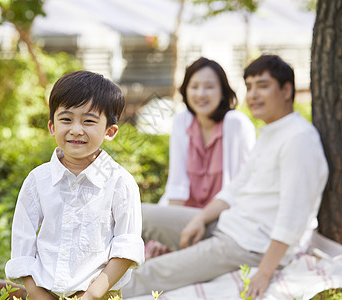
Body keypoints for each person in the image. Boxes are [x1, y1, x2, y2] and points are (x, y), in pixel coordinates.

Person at [122, 54, 329, 299]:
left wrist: (263, 273)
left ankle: (88, 292)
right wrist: (200, 219)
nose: (252, 95)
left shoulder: (299, 139)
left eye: (262, 86)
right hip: (226, 224)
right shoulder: (272, 132)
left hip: (248, 246)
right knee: (137, 214)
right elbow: (235, 189)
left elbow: (293, 217)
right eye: (249, 86)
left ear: (286, 90)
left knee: (150, 273)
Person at [4, 70, 144, 300]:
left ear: (109, 131)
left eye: (89, 121)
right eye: (66, 119)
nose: (76, 130)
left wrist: (90, 296)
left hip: (99, 295)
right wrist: (38, 294)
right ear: (52, 127)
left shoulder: (120, 183)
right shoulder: (38, 181)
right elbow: (22, 244)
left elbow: (126, 249)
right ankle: (12, 292)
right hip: (42, 293)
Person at [144, 57, 256, 258]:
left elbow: (242, 188)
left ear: (222, 91)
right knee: (148, 239)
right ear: (185, 91)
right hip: (187, 218)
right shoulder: (182, 122)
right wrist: (165, 233)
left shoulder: (237, 124)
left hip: (223, 219)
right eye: (194, 86)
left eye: (209, 87)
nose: (200, 94)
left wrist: (200, 220)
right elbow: (176, 185)